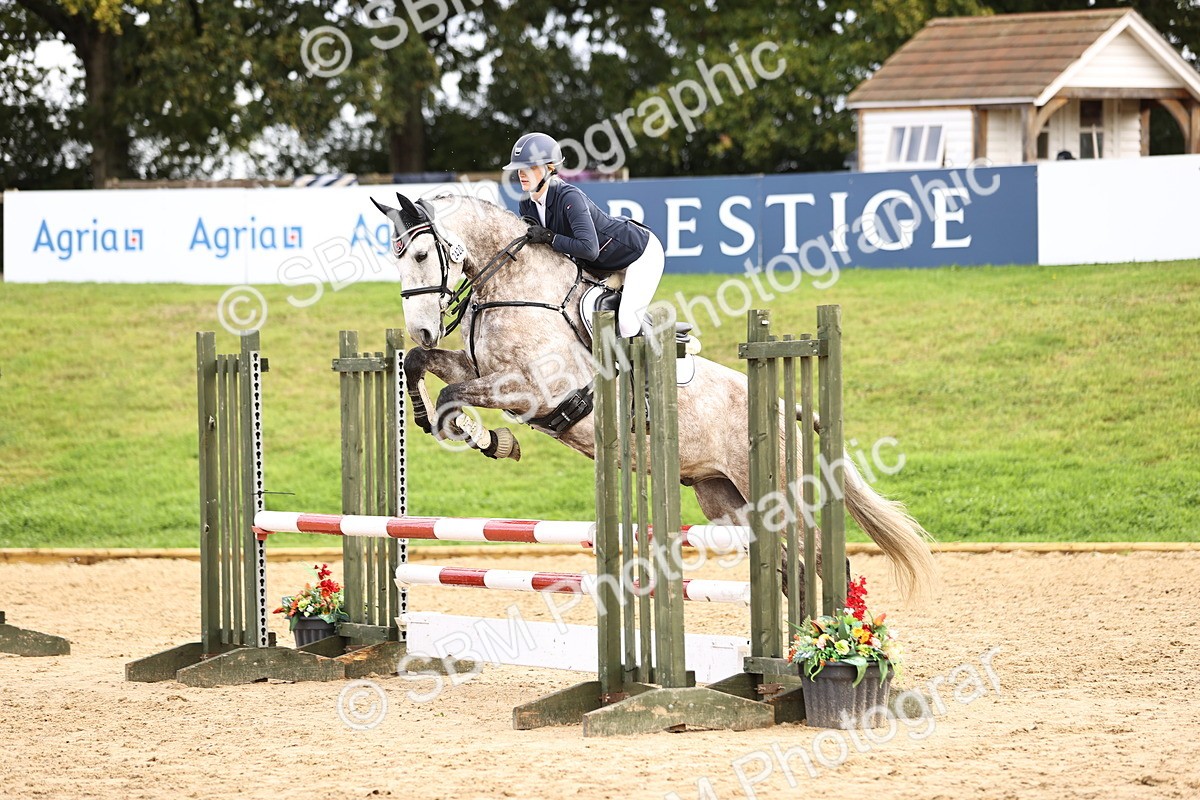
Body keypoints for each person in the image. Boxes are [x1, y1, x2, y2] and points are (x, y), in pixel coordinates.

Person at [503, 131, 666, 338]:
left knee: (627, 325)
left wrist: (550, 238)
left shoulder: (570, 197)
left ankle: (663, 341)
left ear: (550, 169)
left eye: (530, 167)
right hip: (600, 266)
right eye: (519, 169)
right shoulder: (526, 204)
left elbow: (589, 249)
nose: (521, 174)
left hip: (639, 254)